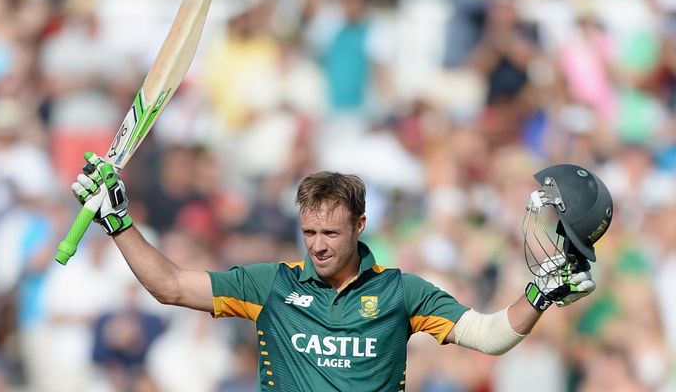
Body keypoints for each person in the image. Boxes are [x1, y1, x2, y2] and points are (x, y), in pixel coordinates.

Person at [67, 152, 613, 390]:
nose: (318, 247)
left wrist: (538, 297)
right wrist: (118, 223)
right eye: (309, 234)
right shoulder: (269, 285)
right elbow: (169, 286)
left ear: (360, 225)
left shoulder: (403, 292)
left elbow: (489, 337)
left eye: (331, 234)